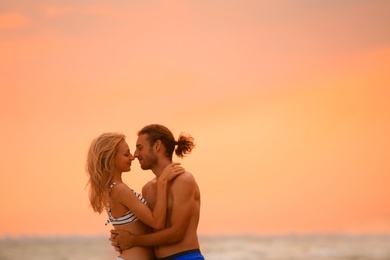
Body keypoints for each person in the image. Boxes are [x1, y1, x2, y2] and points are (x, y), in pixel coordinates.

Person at [110, 124, 205, 260]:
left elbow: (177, 233)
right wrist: (120, 238)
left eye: (140, 148)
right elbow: (150, 231)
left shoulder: (183, 180)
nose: (136, 155)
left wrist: (133, 240)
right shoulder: (147, 188)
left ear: (157, 146)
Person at [86, 132, 185, 260]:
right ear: (111, 159)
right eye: (126, 154)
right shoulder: (119, 190)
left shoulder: (113, 189)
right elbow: (157, 223)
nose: (132, 157)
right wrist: (162, 183)